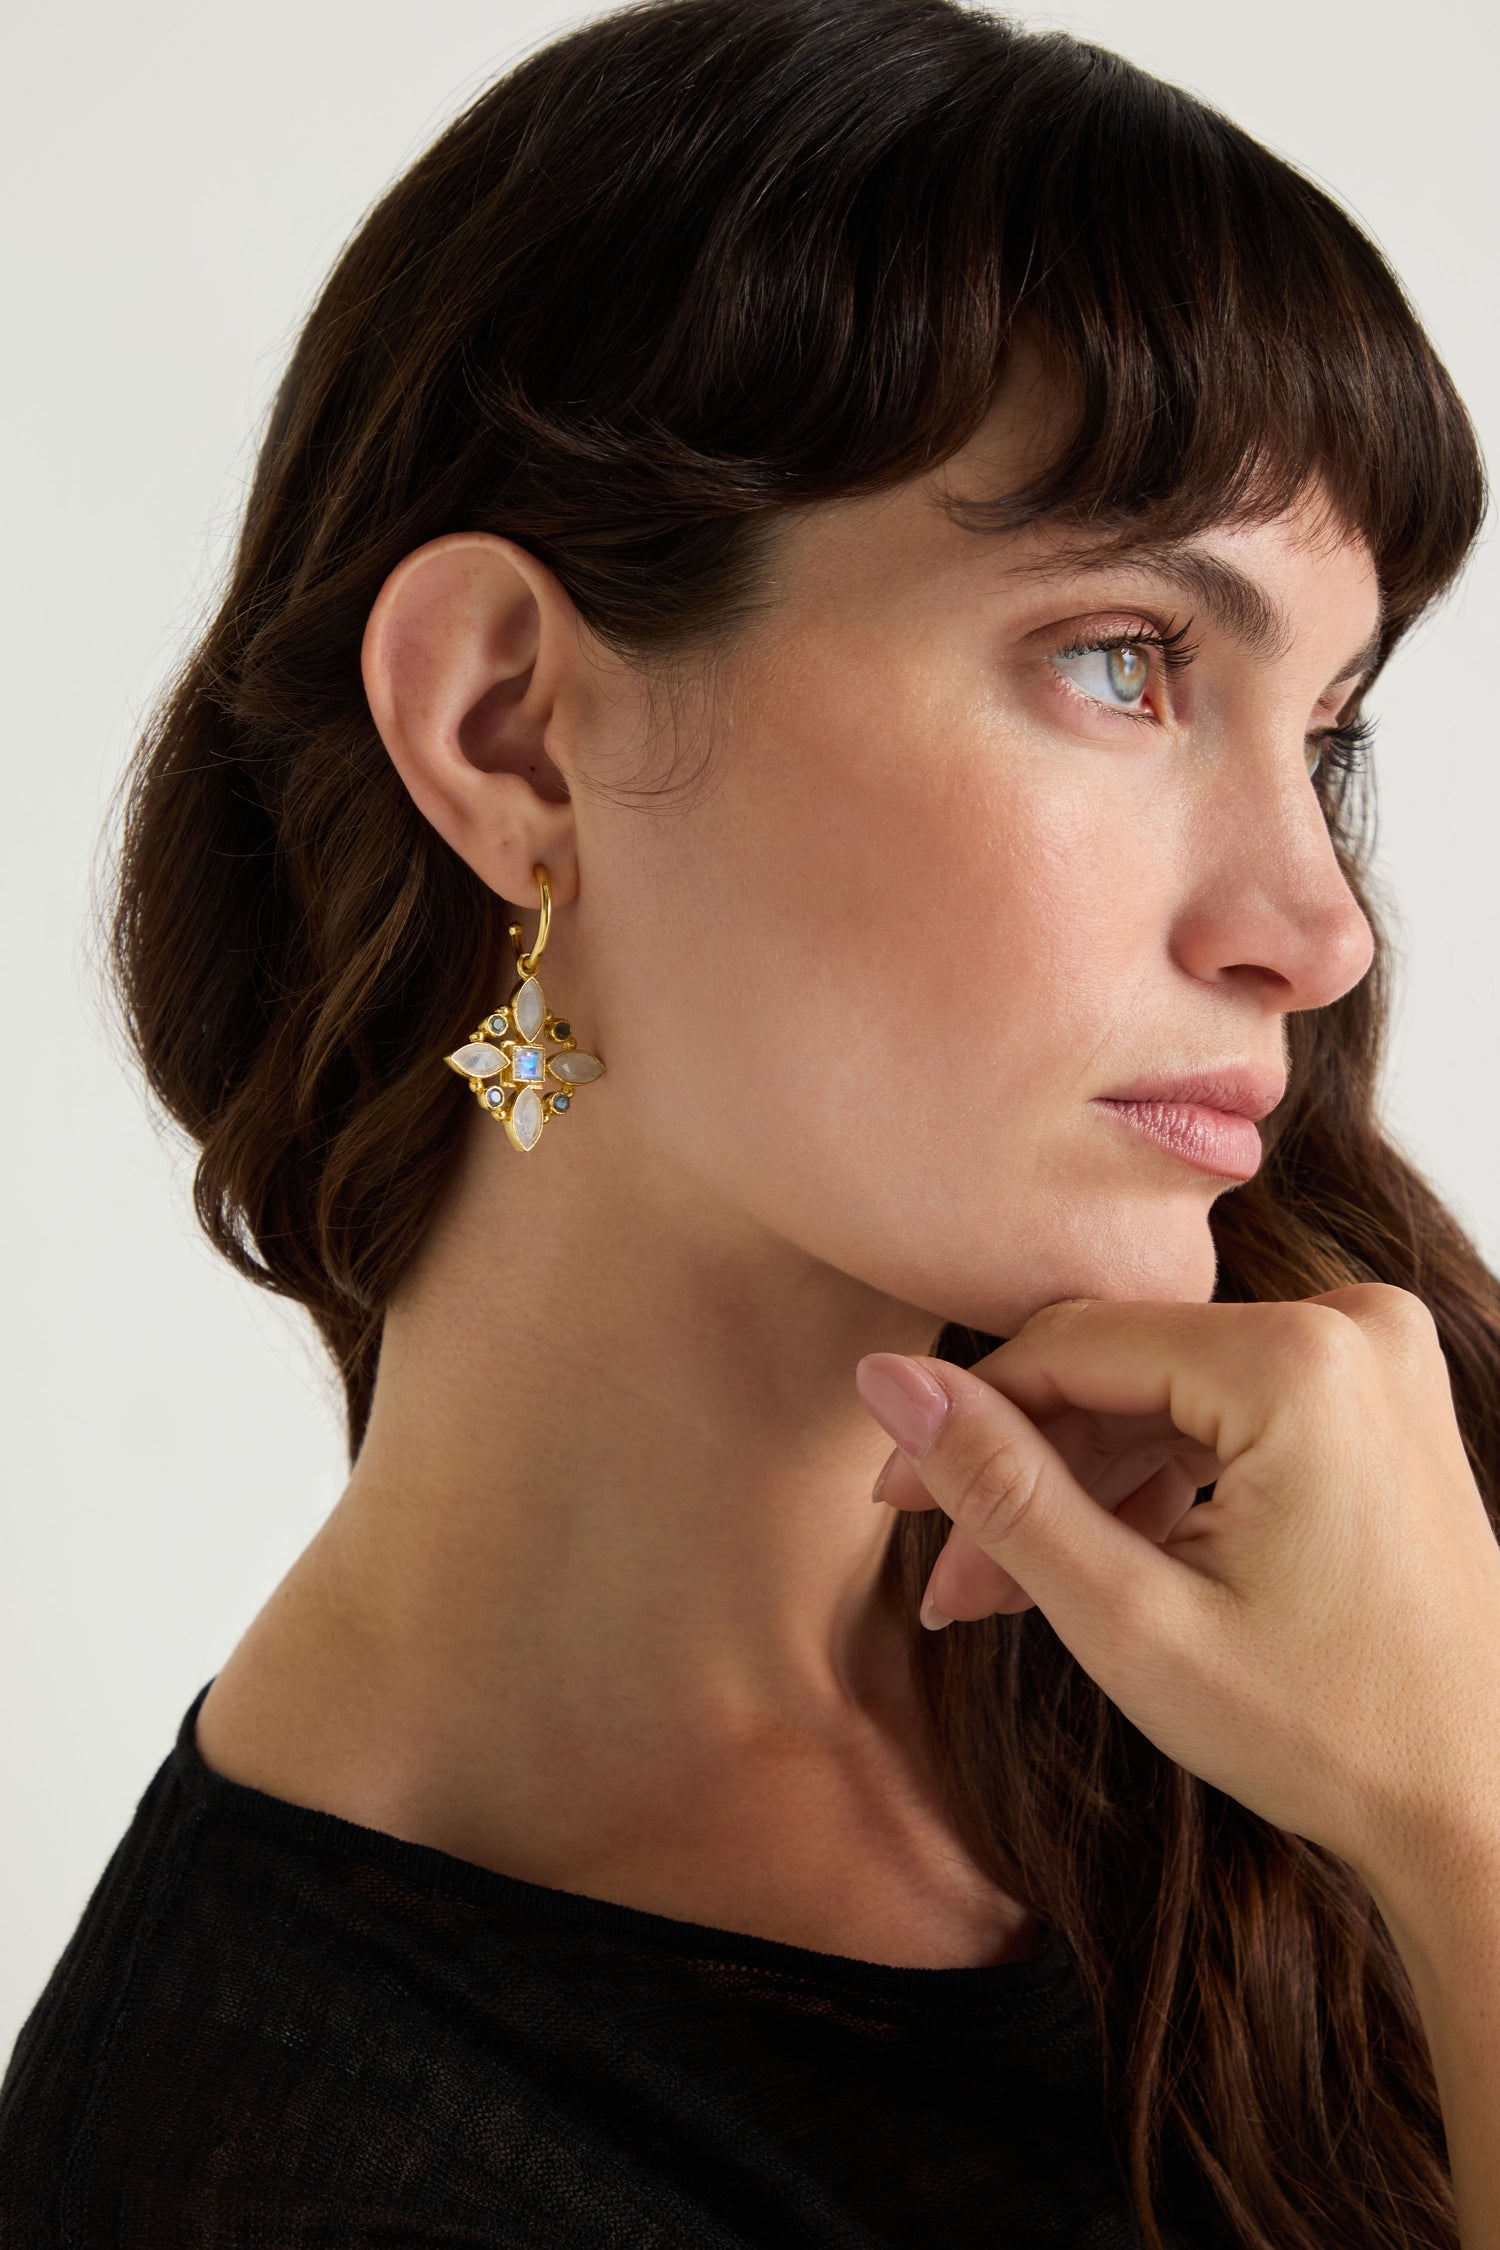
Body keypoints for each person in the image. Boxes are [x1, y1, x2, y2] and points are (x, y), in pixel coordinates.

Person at [3, 0, 1498, 2242]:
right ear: (515, 732)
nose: (1316, 926)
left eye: (1330, 736)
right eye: (1124, 658)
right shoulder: (279, 2165)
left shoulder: (1391, 1512)